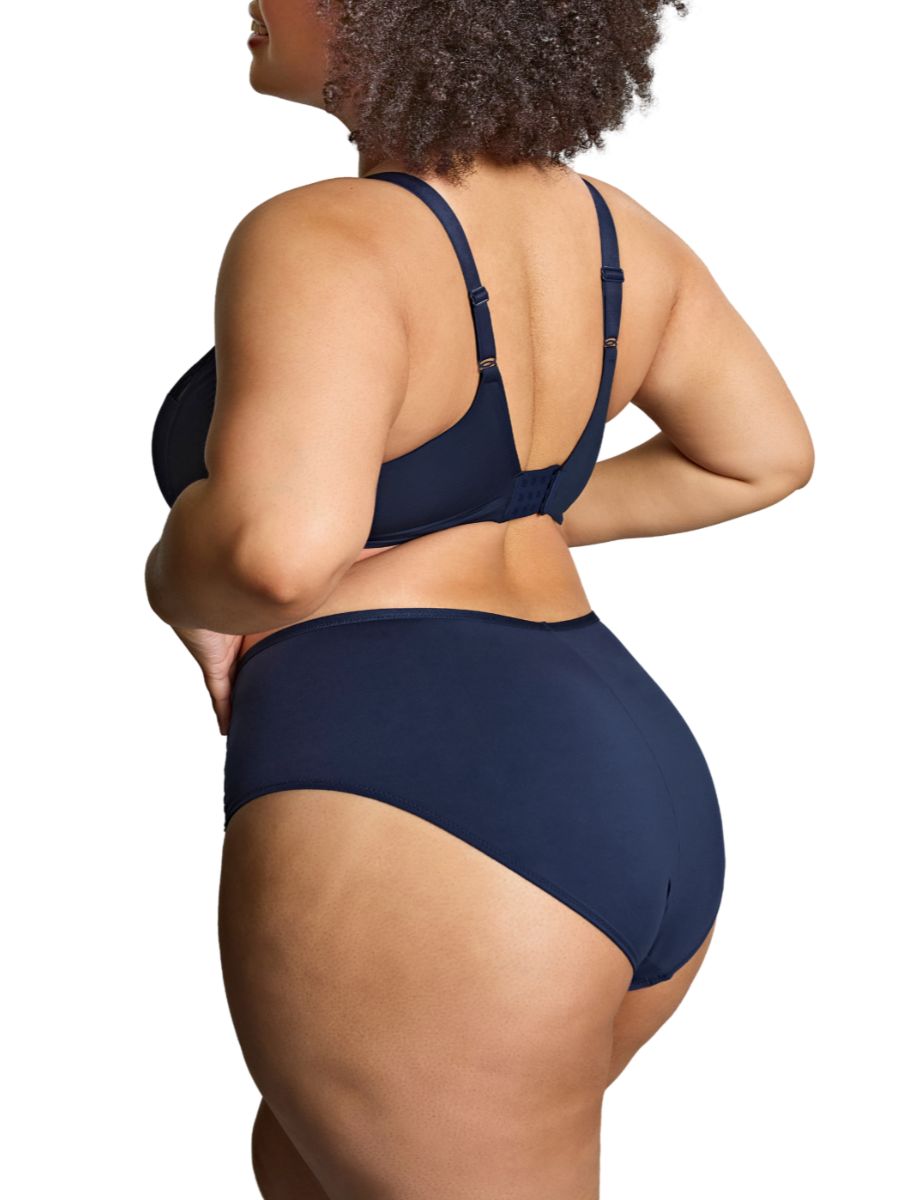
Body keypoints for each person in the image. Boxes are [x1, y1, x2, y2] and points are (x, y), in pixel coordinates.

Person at [145, 2, 815, 1196]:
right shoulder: (615, 234)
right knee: (303, 1168)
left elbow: (274, 555)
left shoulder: (324, 236)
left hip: (430, 806)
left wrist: (173, 578)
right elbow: (759, 457)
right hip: (618, 778)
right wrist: (491, 514)